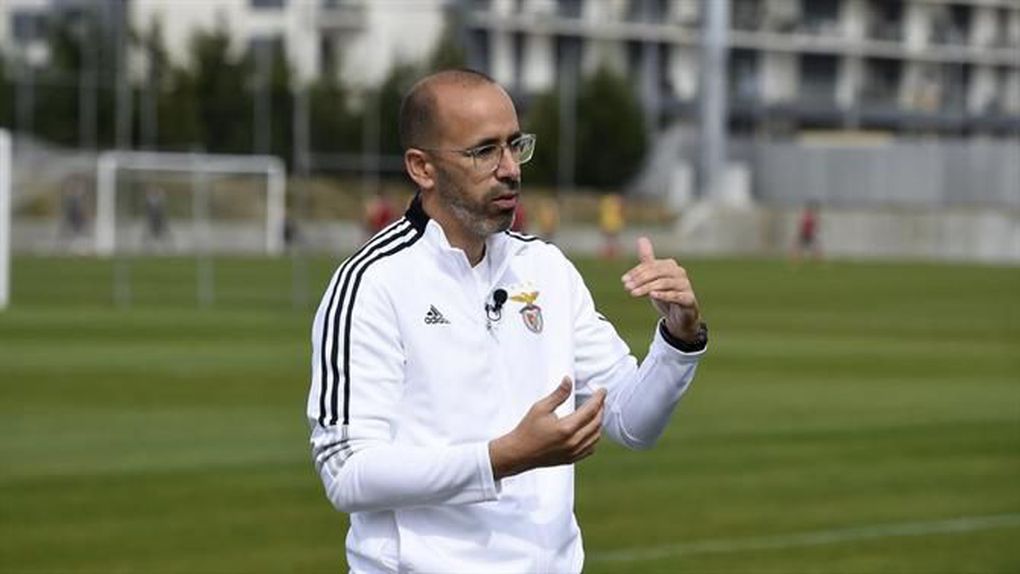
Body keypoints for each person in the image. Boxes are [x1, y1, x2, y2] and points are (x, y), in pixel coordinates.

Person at [306, 69, 708, 572]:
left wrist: (678, 339)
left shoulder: (546, 268)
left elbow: (632, 421)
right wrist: (502, 457)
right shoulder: (373, 282)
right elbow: (347, 472)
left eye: (515, 145)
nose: (510, 169)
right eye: (484, 151)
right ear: (422, 167)